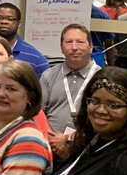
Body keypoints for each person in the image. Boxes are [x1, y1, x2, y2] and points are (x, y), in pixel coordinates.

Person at [39, 24, 99, 158]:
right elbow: (38, 113)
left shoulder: (102, 78)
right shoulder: (48, 75)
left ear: (91, 46)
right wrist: (51, 139)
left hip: (87, 148)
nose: (74, 47)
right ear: (61, 48)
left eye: (80, 42)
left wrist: (69, 139)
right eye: (69, 42)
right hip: (49, 147)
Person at [0, 3, 49, 76]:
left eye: (10, 19)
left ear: (19, 23)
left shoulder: (36, 58)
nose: (4, 22)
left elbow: (44, 86)